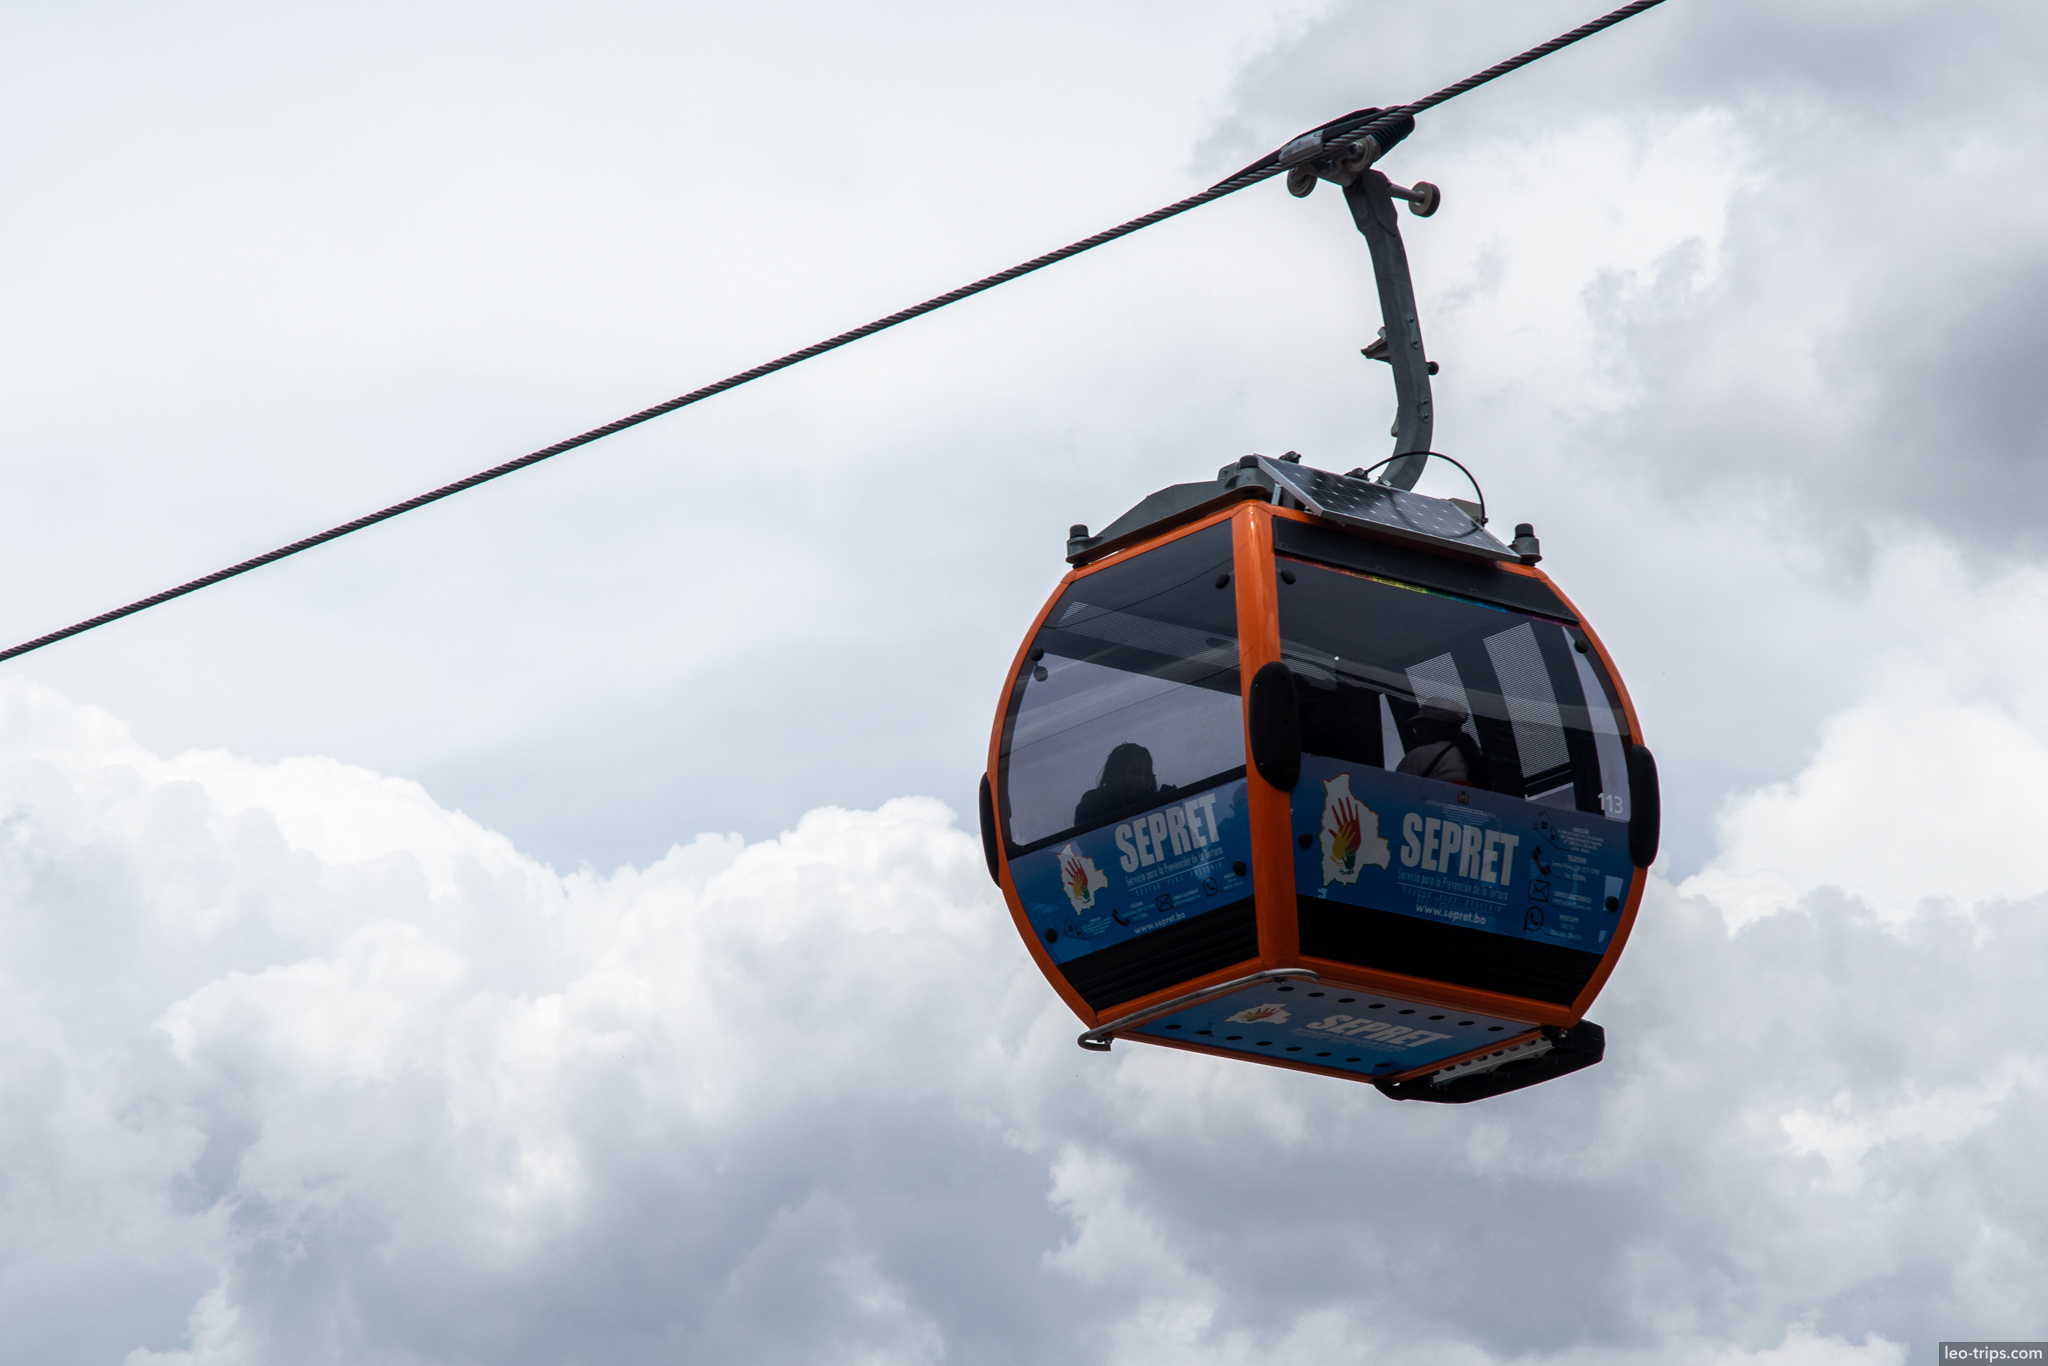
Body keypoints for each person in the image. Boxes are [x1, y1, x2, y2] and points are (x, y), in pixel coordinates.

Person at [1074, 742, 1177, 827]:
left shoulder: (1160, 802)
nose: (1141, 779)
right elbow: (1086, 840)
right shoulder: (1093, 803)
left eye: (1146, 774)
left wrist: (1168, 807)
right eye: (1134, 772)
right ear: (1117, 773)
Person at [1395, 699, 1490, 789]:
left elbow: (1397, 794)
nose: (1417, 734)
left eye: (1417, 728)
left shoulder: (1420, 755)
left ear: (1428, 726)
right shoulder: (1472, 757)